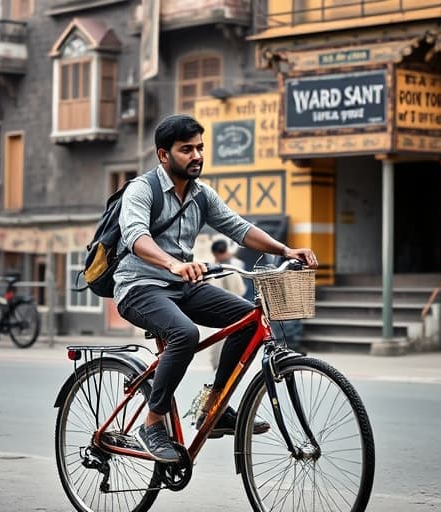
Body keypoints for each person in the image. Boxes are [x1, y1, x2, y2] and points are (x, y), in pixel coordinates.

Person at [114, 114, 318, 463]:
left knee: (248, 317)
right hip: (140, 286)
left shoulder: (201, 195)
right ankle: (152, 423)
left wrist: (285, 249)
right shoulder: (142, 190)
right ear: (163, 155)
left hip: (182, 285)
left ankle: (215, 404)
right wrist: (173, 263)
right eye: (186, 149)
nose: (196, 156)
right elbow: (135, 236)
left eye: (200, 148)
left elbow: (239, 228)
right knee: (184, 334)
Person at [208, 238, 247, 370]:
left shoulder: (214, 267)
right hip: (235, 304)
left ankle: (219, 364)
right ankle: (224, 365)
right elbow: (241, 289)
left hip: (222, 306)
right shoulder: (236, 264)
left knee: (222, 337)